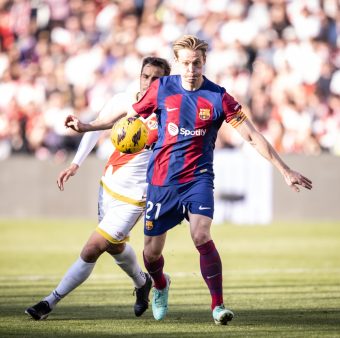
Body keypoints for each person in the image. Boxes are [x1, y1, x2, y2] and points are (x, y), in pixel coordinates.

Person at [64, 35, 313, 325]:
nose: (191, 69)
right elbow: (126, 118)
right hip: (161, 180)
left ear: (204, 62)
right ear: (178, 63)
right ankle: (159, 284)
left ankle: (218, 306)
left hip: (198, 178)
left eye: (196, 63)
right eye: (186, 63)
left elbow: (252, 136)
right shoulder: (161, 89)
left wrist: (285, 170)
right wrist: (86, 127)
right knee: (151, 253)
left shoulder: (219, 97)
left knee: (201, 235)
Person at [25, 56, 171, 321]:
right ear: (139, 76)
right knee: (114, 247)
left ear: (166, 81)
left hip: (136, 196)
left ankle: (49, 302)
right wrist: (75, 164)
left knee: (93, 247)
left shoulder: (169, 111)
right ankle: (142, 283)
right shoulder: (125, 100)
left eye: (156, 78)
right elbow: (95, 128)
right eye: (145, 76)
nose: (149, 82)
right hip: (109, 184)